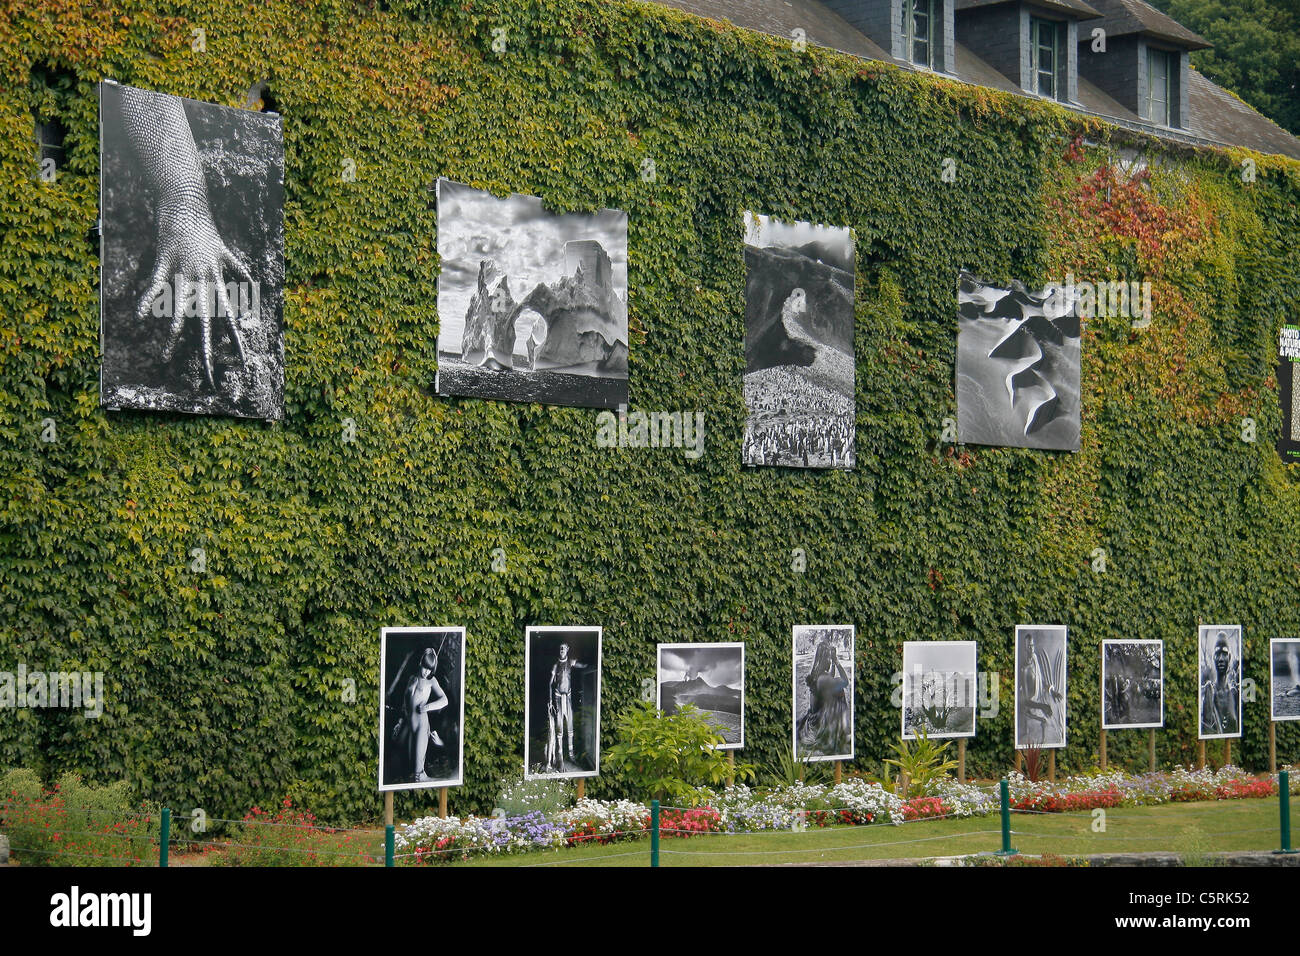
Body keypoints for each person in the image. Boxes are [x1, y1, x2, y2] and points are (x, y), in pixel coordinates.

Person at [404, 647, 448, 783]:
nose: (426, 672)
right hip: (410, 725)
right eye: (425, 667)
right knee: (412, 771)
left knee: (419, 775)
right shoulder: (412, 678)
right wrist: (400, 721)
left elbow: (444, 700)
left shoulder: (431, 681)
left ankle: (443, 783)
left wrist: (428, 707)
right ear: (420, 663)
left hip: (422, 725)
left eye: (430, 669)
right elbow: (404, 703)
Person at [548, 642, 589, 771]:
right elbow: (550, 684)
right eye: (560, 648)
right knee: (560, 727)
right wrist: (550, 700)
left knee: (570, 726)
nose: (562, 650)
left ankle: (571, 755)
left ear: (567, 650)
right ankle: (560, 756)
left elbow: (582, 666)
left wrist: (590, 666)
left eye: (564, 648)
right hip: (558, 697)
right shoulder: (556, 665)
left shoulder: (571, 662)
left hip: (569, 697)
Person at [1019, 633, 1063, 745]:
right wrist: (1042, 706)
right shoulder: (1024, 670)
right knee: (1048, 724)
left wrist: (1053, 691)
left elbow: (1041, 681)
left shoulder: (1035, 659)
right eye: (1029, 646)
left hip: (1040, 703)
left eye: (1032, 645)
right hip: (1031, 707)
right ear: (1025, 648)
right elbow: (1025, 701)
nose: (1031, 648)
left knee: (1058, 727)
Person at [1201, 631, 1239, 736]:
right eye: (1218, 653)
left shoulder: (1235, 693)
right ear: (1213, 657)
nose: (1221, 659)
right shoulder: (1208, 691)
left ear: (1229, 657)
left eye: (1225, 654)